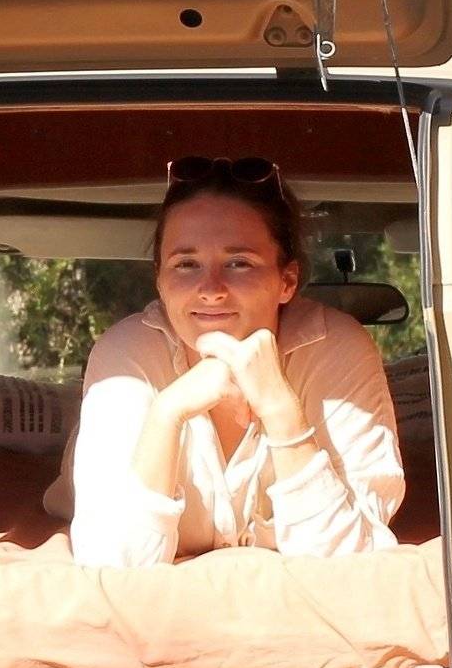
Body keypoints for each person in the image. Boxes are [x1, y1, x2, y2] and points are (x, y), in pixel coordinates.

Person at [61, 156, 405, 568]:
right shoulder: (126, 355)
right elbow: (113, 564)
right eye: (186, 264)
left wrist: (281, 410)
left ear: (287, 281)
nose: (211, 289)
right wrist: (168, 412)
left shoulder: (338, 349)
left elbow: (352, 563)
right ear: (159, 280)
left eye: (239, 263)